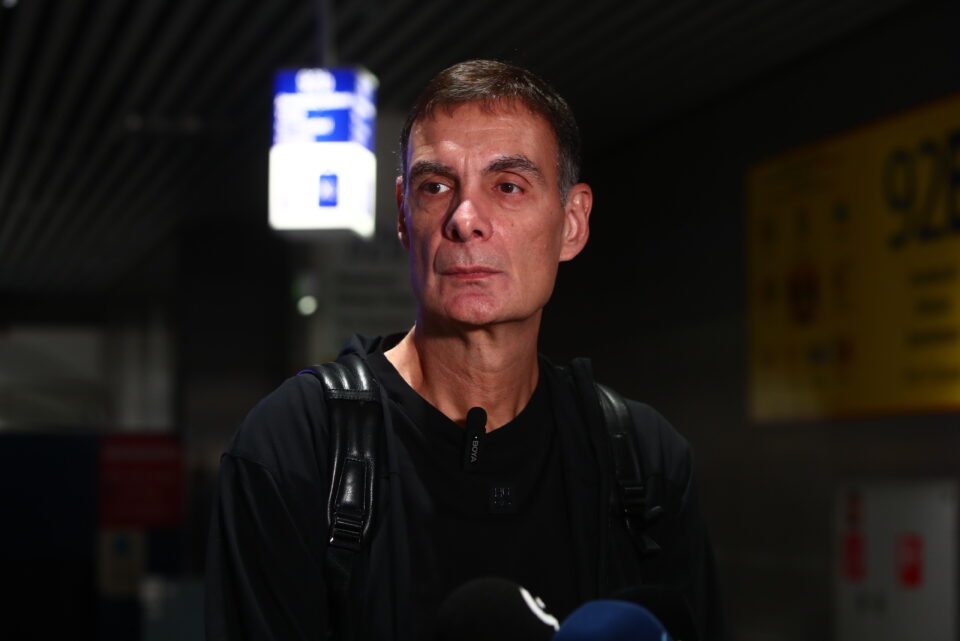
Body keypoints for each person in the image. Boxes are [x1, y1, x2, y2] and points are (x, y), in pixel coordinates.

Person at [206, 59, 722, 640]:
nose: (465, 219)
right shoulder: (296, 445)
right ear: (404, 217)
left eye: (508, 186)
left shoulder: (644, 461)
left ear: (572, 223)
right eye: (435, 187)